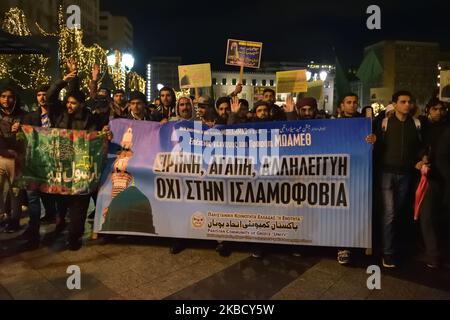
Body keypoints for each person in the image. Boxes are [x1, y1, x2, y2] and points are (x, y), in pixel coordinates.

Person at [46, 59, 111, 250]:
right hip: (62, 168)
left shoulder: (92, 118)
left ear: (82, 105)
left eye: (73, 103)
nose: (69, 105)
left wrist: (94, 81)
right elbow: (50, 98)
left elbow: (102, 106)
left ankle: (74, 238)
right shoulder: (59, 116)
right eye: (68, 102)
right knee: (63, 203)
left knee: (79, 206)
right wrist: (64, 80)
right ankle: (61, 223)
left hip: (82, 169)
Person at [374, 90, 425, 268]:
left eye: (409, 102)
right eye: (402, 102)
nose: (407, 105)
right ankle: (387, 253)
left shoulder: (416, 124)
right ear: (394, 104)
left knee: (399, 213)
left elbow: (420, 147)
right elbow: (377, 145)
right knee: (389, 213)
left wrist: (421, 159)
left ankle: (394, 248)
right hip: (386, 173)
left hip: (406, 174)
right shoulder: (385, 123)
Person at [417, 98, 449, 268]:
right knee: (427, 217)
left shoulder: (446, 127)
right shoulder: (421, 125)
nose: (439, 112)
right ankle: (433, 254)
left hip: (445, 178)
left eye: (441, 109)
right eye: (435, 109)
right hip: (428, 178)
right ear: (428, 109)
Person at [0, 87, 26, 233]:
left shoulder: (23, 115)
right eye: (3, 96)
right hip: (0, 157)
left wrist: (21, 129)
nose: (6, 100)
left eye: (9, 97)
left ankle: (14, 221)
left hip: (17, 159)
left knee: (16, 192)